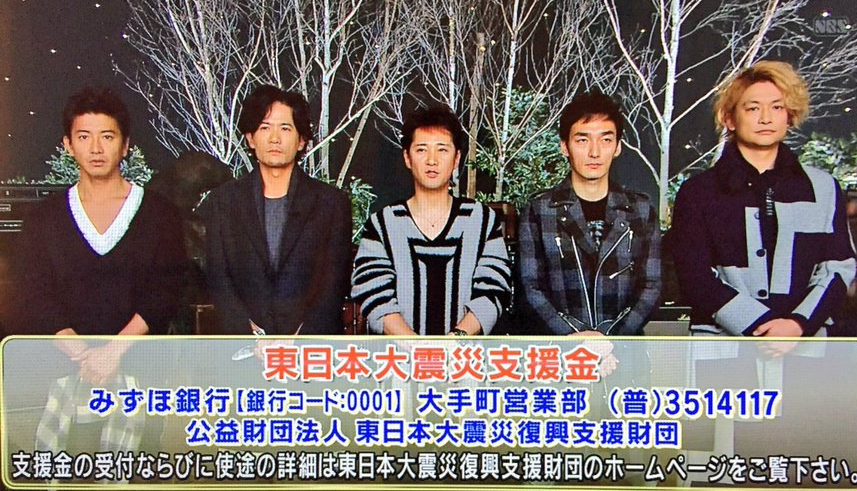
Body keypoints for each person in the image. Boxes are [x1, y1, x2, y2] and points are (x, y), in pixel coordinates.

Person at [668, 60, 856, 350]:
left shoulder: (823, 188)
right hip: (721, 352)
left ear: (790, 116)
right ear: (730, 118)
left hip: (806, 348)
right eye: (753, 108)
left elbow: (838, 268)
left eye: (777, 107)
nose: (766, 118)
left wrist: (797, 324)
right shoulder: (699, 192)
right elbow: (694, 277)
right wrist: (760, 327)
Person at [8, 86, 187, 377]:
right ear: (68, 145)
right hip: (62, 372)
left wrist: (112, 352)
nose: (95, 148)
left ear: (125, 145)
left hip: (141, 373)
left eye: (107, 136)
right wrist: (84, 356)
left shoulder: (160, 214)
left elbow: (165, 292)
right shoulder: (44, 218)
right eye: (83, 137)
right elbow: (34, 295)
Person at [203, 84, 352, 336]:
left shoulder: (332, 203)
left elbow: (334, 282)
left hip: (311, 347)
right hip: (242, 346)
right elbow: (219, 278)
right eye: (265, 127)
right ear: (250, 138)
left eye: (285, 128)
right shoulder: (223, 202)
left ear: (301, 140)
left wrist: (299, 339)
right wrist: (249, 333)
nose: (275, 138)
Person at [351, 105, 511, 336]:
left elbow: (494, 289)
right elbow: (374, 294)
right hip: (399, 355)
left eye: (442, 150)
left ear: (456, 158)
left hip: (466, 355)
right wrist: (417, 347)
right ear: (407, 157)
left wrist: (455, 341)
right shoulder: (382, 225)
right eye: (421, 150)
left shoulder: (482, 221)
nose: (432, 160)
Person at [517, 90, 662, 337]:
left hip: (625, 351)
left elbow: (651, 287)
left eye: (606, 140)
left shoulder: (640, 210)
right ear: (565, 146)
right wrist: (575, 336)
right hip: (560, 352)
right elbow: (530, 288)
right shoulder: (539, 210)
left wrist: (610, 338)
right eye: (582, 140)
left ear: (617, 147)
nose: (595, 152)